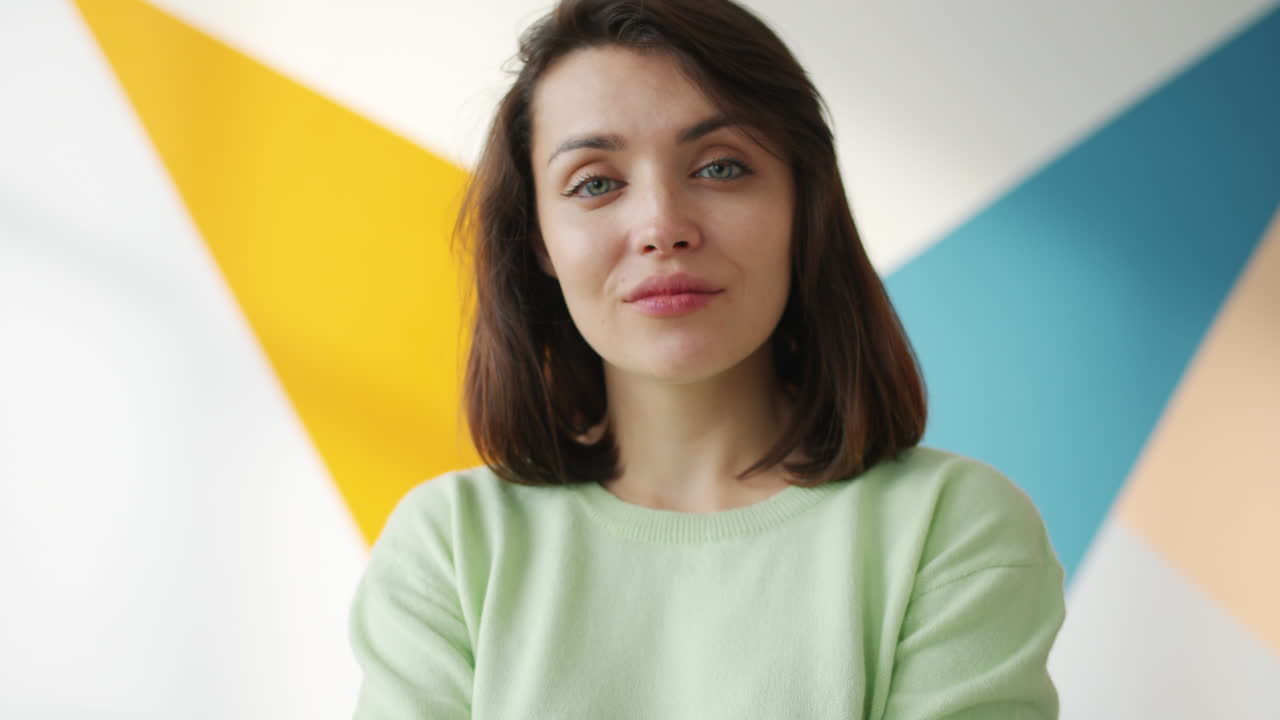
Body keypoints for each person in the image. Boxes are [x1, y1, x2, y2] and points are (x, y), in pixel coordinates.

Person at [349, 0, 1066, 717]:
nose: (662, 226)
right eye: (595, 183)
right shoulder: (450, 547)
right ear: (538, 239)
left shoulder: (950, 528)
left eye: (721, 167)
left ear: (802, 206)